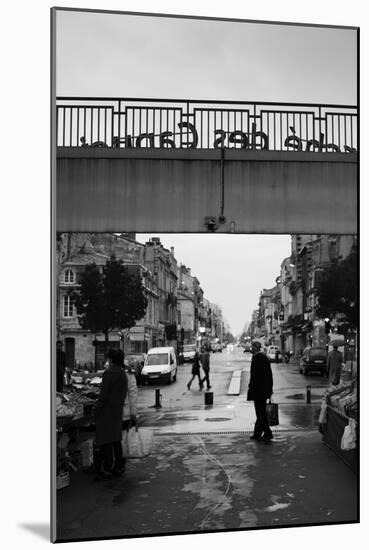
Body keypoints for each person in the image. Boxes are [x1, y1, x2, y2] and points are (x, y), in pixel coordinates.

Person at [94, 348, 128, 480]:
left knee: (105, 440)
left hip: (106, 411)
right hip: (117, 410)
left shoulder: (109, 374)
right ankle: (118, 465)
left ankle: (107, 466)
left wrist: (96, 410)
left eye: (108, 358)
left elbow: (103, 396)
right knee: (116, 439)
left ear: (112, 360)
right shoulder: (122, 373)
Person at [247, 341, 274, 441]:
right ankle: (259, 433)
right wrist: (270, 389)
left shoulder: (256, 358)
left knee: (260, 413)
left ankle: (267, 432)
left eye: (252, 347)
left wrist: (251, 388)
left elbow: (254, 376)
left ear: (255, 348)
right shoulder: (264, 357)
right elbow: (269, 375)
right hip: (264, 389)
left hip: (258, 390)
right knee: (261, 412)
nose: (251, 349)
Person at [121, 360, 139, 474]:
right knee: (123, 438)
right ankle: (121, 462)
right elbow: (133, 394)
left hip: (121, 412)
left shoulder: (117, 373)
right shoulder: (129, 375)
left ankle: (119, 461)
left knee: (119, 438)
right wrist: (133, 413)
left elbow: (132, 394)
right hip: (126, 412)